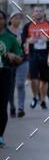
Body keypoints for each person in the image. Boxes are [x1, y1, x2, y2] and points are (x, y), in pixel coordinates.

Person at [22, 6, 49, 109]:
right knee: (33, 78)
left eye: (40, 11)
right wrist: (29, 41)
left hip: (46, 55)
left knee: (44, 80)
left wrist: (48, 39)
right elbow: (23, 40)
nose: (38, 13)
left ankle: (43, 100)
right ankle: (35, 96)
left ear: (43, 13)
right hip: (33, 54)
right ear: (33, 13)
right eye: (36, 11)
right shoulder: (28, 26)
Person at [0, 11, 24, 147]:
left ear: (5, 21)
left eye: (0, 19)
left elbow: (20, 58)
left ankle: (0, 135)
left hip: (4, 73)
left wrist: (13, 57)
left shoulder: (11, 38)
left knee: (2, 106)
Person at [6, 11, 24, 117]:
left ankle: (21, 107)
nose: (17, 20)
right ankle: (12, 105)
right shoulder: (6, 32)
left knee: (20, 84)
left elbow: (27, 43)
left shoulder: (23, 31)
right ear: (11, 19)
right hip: (10, 62)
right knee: (10, 86)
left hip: (23, 59)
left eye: (19, 18)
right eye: (15, 18)